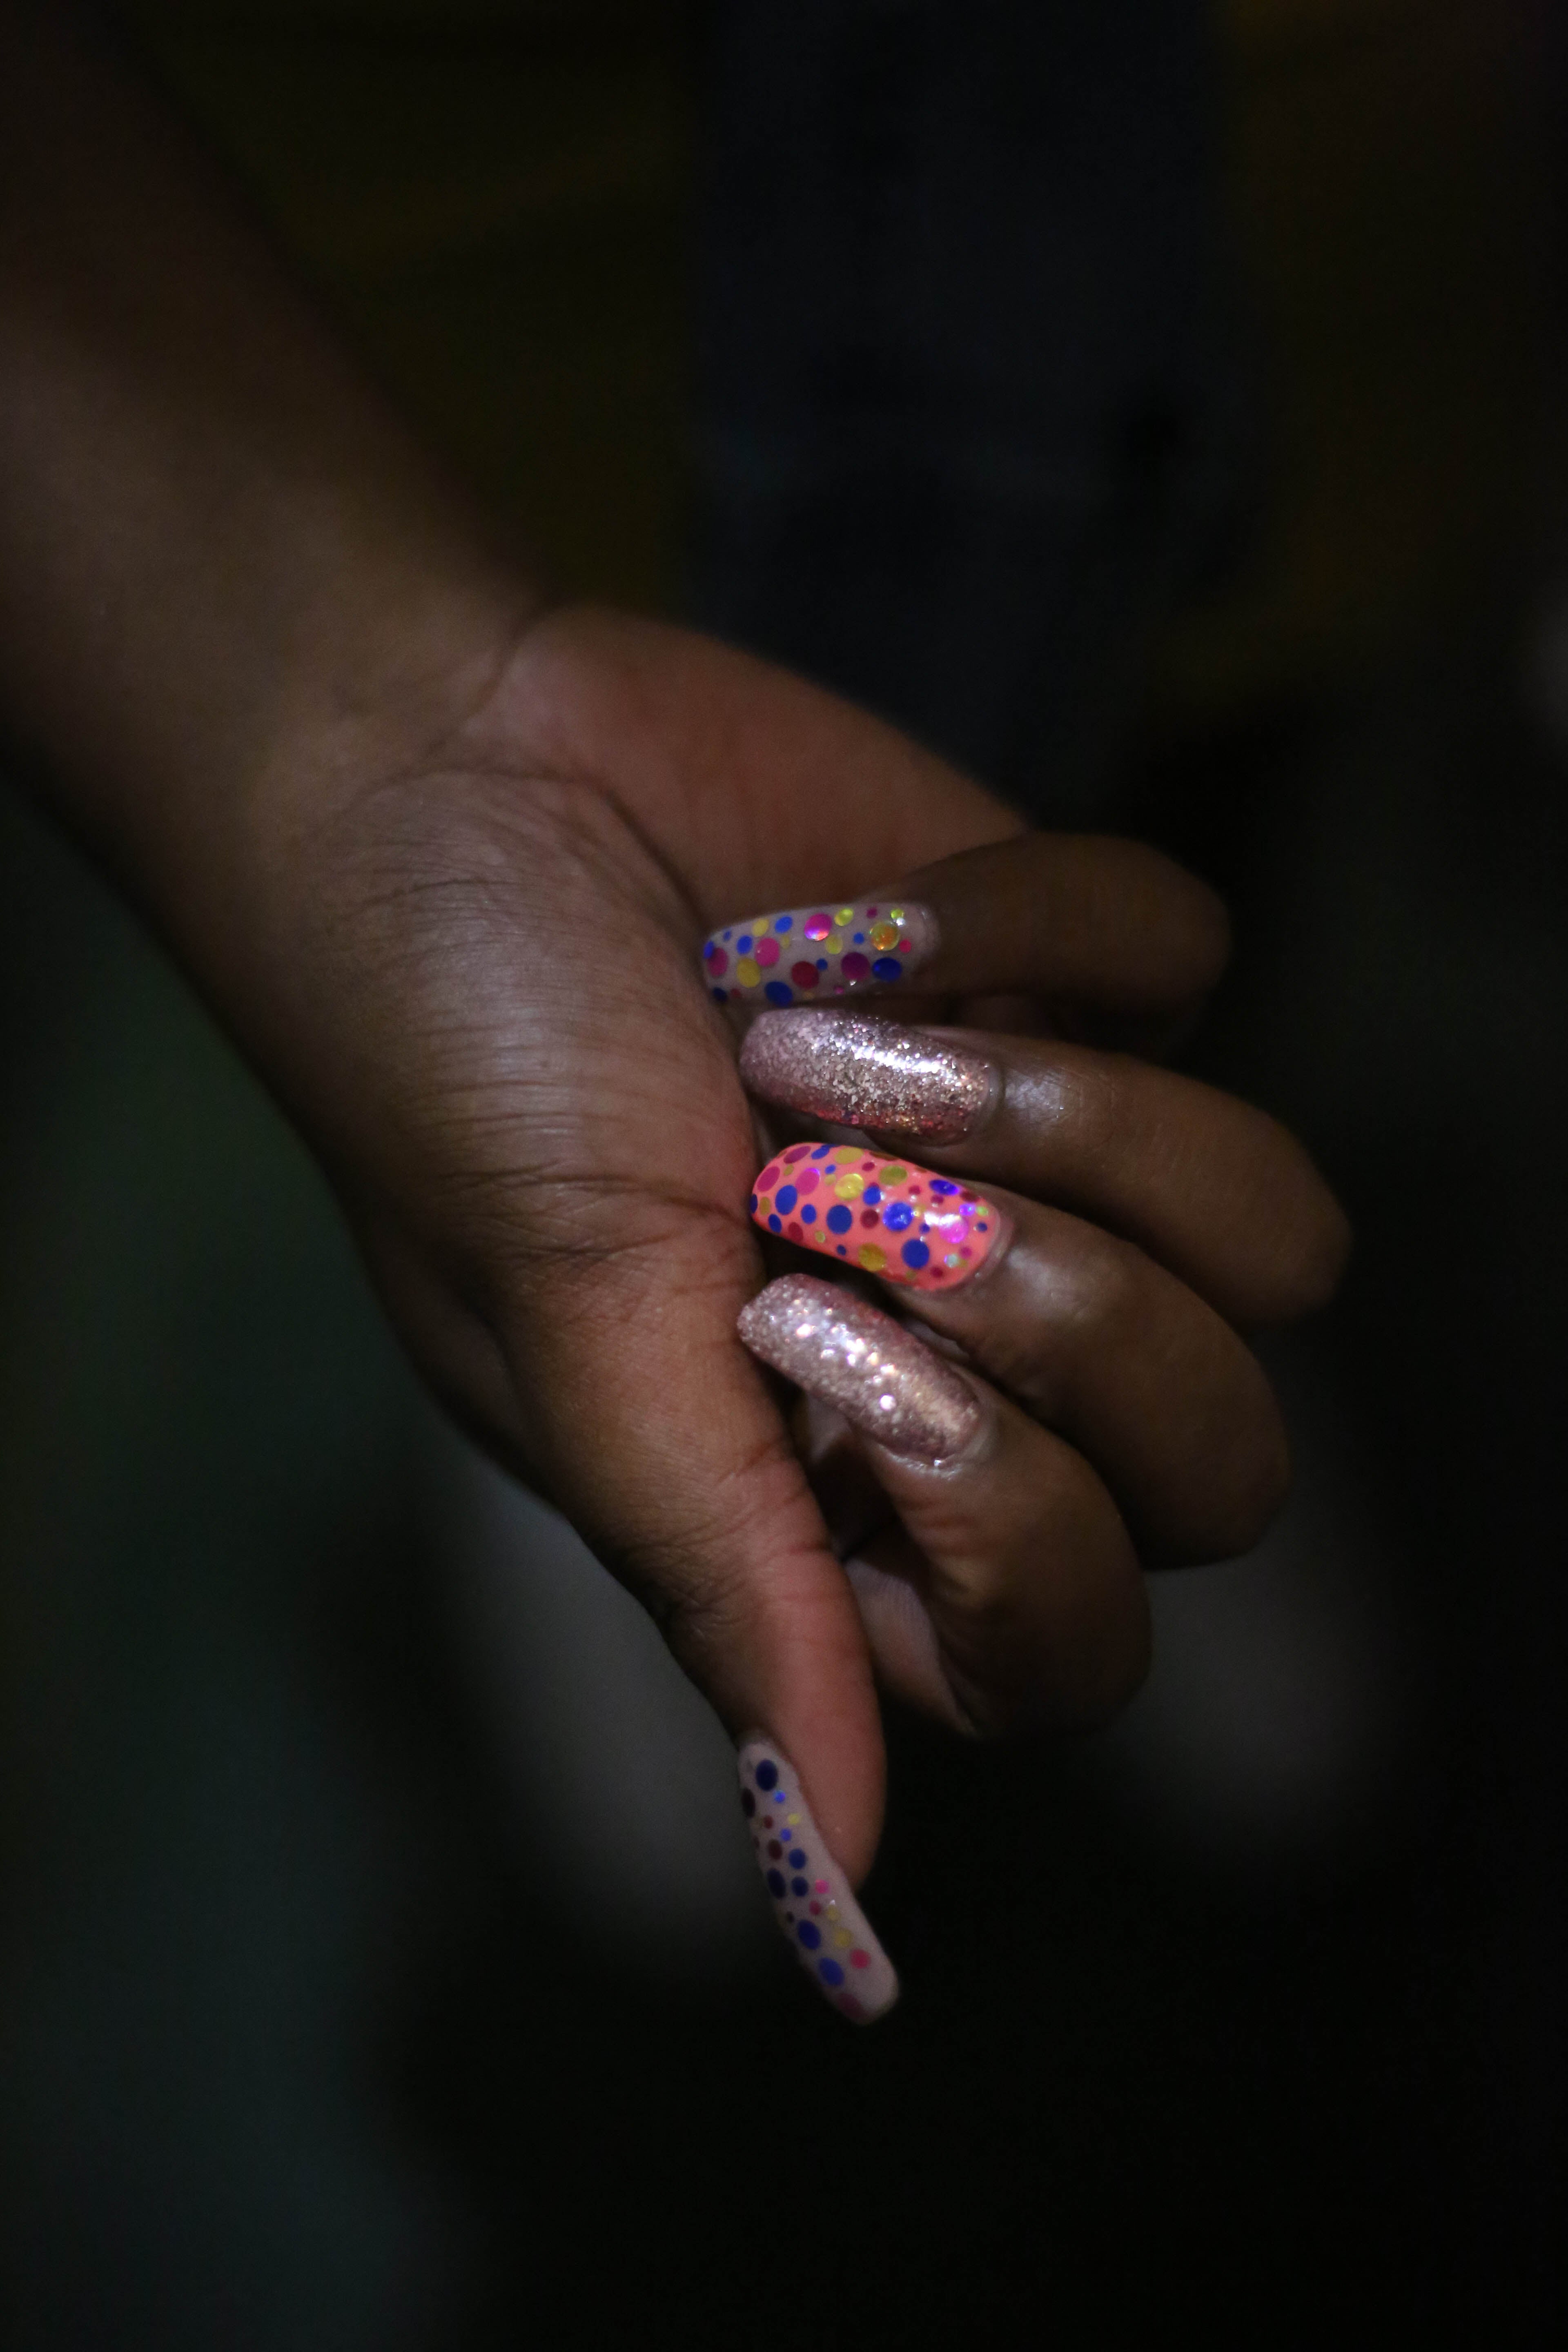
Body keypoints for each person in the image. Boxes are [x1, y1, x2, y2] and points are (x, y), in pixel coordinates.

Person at [0, 2, 1346, 2002]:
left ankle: (1081, 1298)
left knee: (1187, 838)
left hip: (1273, 221)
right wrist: (366, 722)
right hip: (379, 314)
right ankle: (596, 1407)